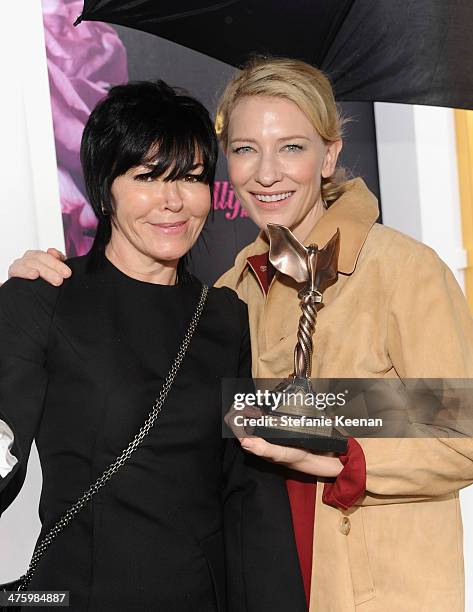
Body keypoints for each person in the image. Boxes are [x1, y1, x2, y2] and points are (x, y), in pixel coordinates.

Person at [10, 58, 473, 612]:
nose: (267, 172)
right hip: (259, 576)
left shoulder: (403, 270)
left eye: (293, 147)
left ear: (329, 155)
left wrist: (342, 451)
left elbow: (460, 432)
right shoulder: (234, 293)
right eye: (246, 149)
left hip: (375, 587)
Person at [0, 80, 307, 612]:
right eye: (146, 176)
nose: (173, 201)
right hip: (74, 595)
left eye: (190, 178)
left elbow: (247, 493)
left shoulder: (224, 316)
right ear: (105, 189)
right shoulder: (43, 297)